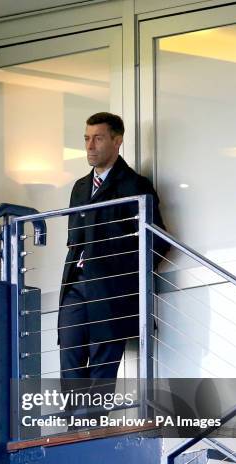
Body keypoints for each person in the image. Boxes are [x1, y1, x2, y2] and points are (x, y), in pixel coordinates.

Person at [58, 112, 167, 379]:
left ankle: (95, 423)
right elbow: (76, 240)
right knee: (69, 363)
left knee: (101, 371)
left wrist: (124, 279)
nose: (90, 146)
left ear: (117, 141)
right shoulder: (80, 187)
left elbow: (158, 241)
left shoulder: (134, 185)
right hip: (75, 286)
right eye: (86, 138)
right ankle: (76, 423)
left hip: (110, 289)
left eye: (98, 138)